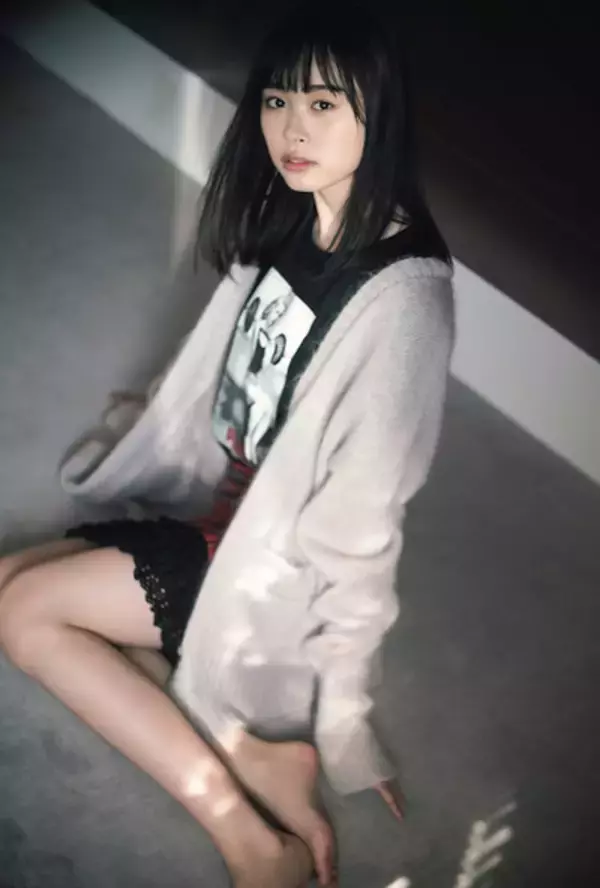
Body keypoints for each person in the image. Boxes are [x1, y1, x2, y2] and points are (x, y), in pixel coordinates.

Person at [0, 4, 455, 887]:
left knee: (25, 616)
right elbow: (225, 377)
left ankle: (250, 839)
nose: (292, 128)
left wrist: (343, 716)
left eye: (323, 104)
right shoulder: (296, 222)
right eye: (278, 100)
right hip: (226, 520)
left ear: (382, 111)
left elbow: (364, 531)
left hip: (264, 578)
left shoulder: (404, 306)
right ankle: (247, 750)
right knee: (10, 584)